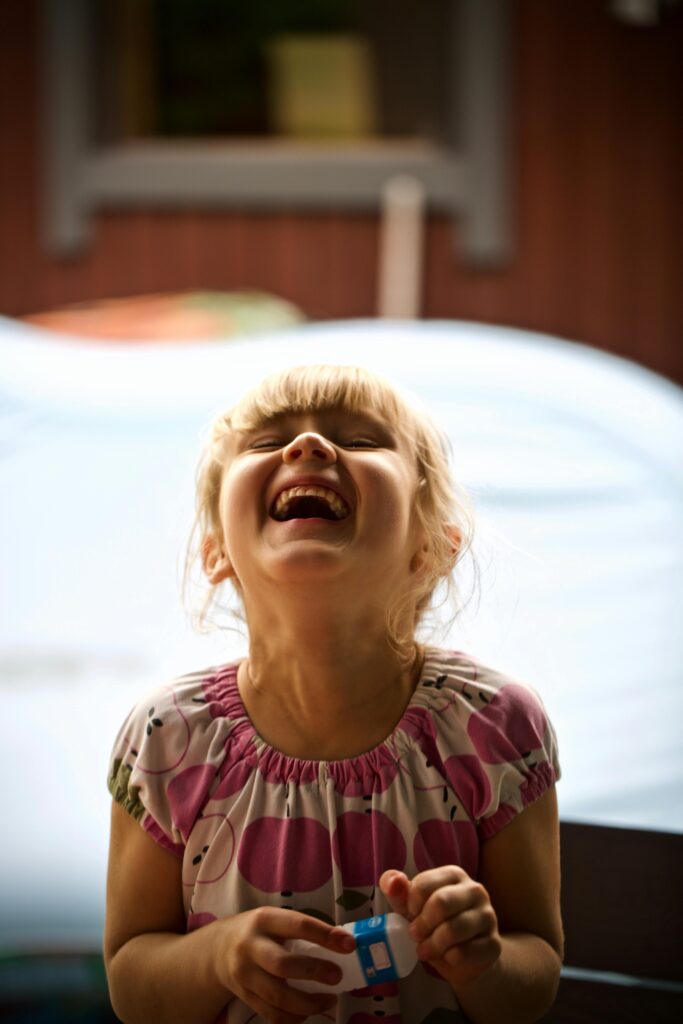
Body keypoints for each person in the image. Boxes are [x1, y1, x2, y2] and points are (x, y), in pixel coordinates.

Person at [104, 364, 563, 1024]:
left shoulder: (494, 725)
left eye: (361, 439)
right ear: (216, 551)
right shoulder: (166, 736)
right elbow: (130, 983)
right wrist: (215, 956)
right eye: (267, 442)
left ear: (431, 546)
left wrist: (482, 960)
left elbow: (535, 971)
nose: (308, 446)